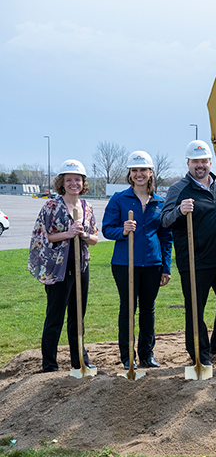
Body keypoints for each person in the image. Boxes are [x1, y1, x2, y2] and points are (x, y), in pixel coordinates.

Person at [162, 140, 216, 367]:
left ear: (210, 162)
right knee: (196, 308)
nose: (200, 165)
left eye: (204, 161)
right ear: (188, 163)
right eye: (195, 161)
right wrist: (179, 210)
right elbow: (164, 220)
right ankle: (200, 353)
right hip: (195, 261)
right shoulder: (179, 189)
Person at [102, 151, 173, 368]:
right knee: (127, 308)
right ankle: (127, 356)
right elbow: (106, 229)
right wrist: (122, 231)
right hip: (125, 264)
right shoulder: (119, 199)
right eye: (135, 170)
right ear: (130, 174)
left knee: (148, 309)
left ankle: (146, 354)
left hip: (152, 263)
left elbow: (166, 237)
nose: (139, 174)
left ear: (151, 172)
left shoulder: (160, 202)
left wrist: (166, 267)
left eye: (143, 170)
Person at [28, 160, 99, 372]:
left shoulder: (86, 207)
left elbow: (95, 238)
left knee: (78, 317)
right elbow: (41, 237)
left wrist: (84, 234)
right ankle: (49, 364)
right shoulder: (51, 206)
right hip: (58, 270)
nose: (73, 183)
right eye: (69, 180)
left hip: (81, 267)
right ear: (62, 182)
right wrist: (67, 234)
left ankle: (80, 361)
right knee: (55, 317)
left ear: (83, 183)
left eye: (77, 179)